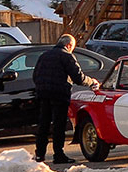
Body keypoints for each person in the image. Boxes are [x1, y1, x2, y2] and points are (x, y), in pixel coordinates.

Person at [33, 35, 98, 164]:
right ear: (68, 45)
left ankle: (39, 154)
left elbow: (35, 75)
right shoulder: (67, 56)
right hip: (59, 94)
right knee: (59, 125)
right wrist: (92, 82)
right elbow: (78, 77)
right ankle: (58, 154)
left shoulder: (44, 55)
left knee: (43, 125)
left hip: (43, 93)